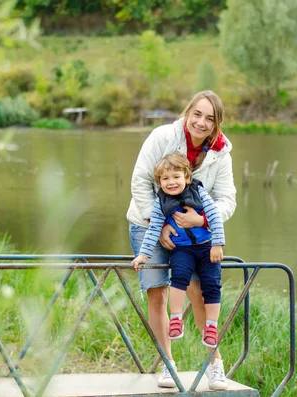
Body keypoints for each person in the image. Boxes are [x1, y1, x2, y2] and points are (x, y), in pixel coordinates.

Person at [127, 90, 236, 390]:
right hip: (147, 224)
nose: (201, 123)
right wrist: (158, 224)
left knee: (198, 293)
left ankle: (216, 365)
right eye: (197, 114)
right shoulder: (162, 137)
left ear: (216, 124)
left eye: (209, 119)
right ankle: (168, 365)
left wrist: (201, 220)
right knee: (157, 294)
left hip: (194, 236)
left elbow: (227, 199)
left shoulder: (220, 152)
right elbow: (139, 180)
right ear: (188, 112)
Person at [131, 153, 225, 349]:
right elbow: (154, 228)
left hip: (207, 246)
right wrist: (143, 255)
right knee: (179, 278)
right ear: (159, 182)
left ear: (187, 178)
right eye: (165, 179)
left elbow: (215, 216)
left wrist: (217, 244)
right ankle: (175, 319)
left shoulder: (199, 193)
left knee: (211, 285)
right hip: (182, 249)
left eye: (176, 177)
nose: (171, 182)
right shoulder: (161, 202)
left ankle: (211, 326)